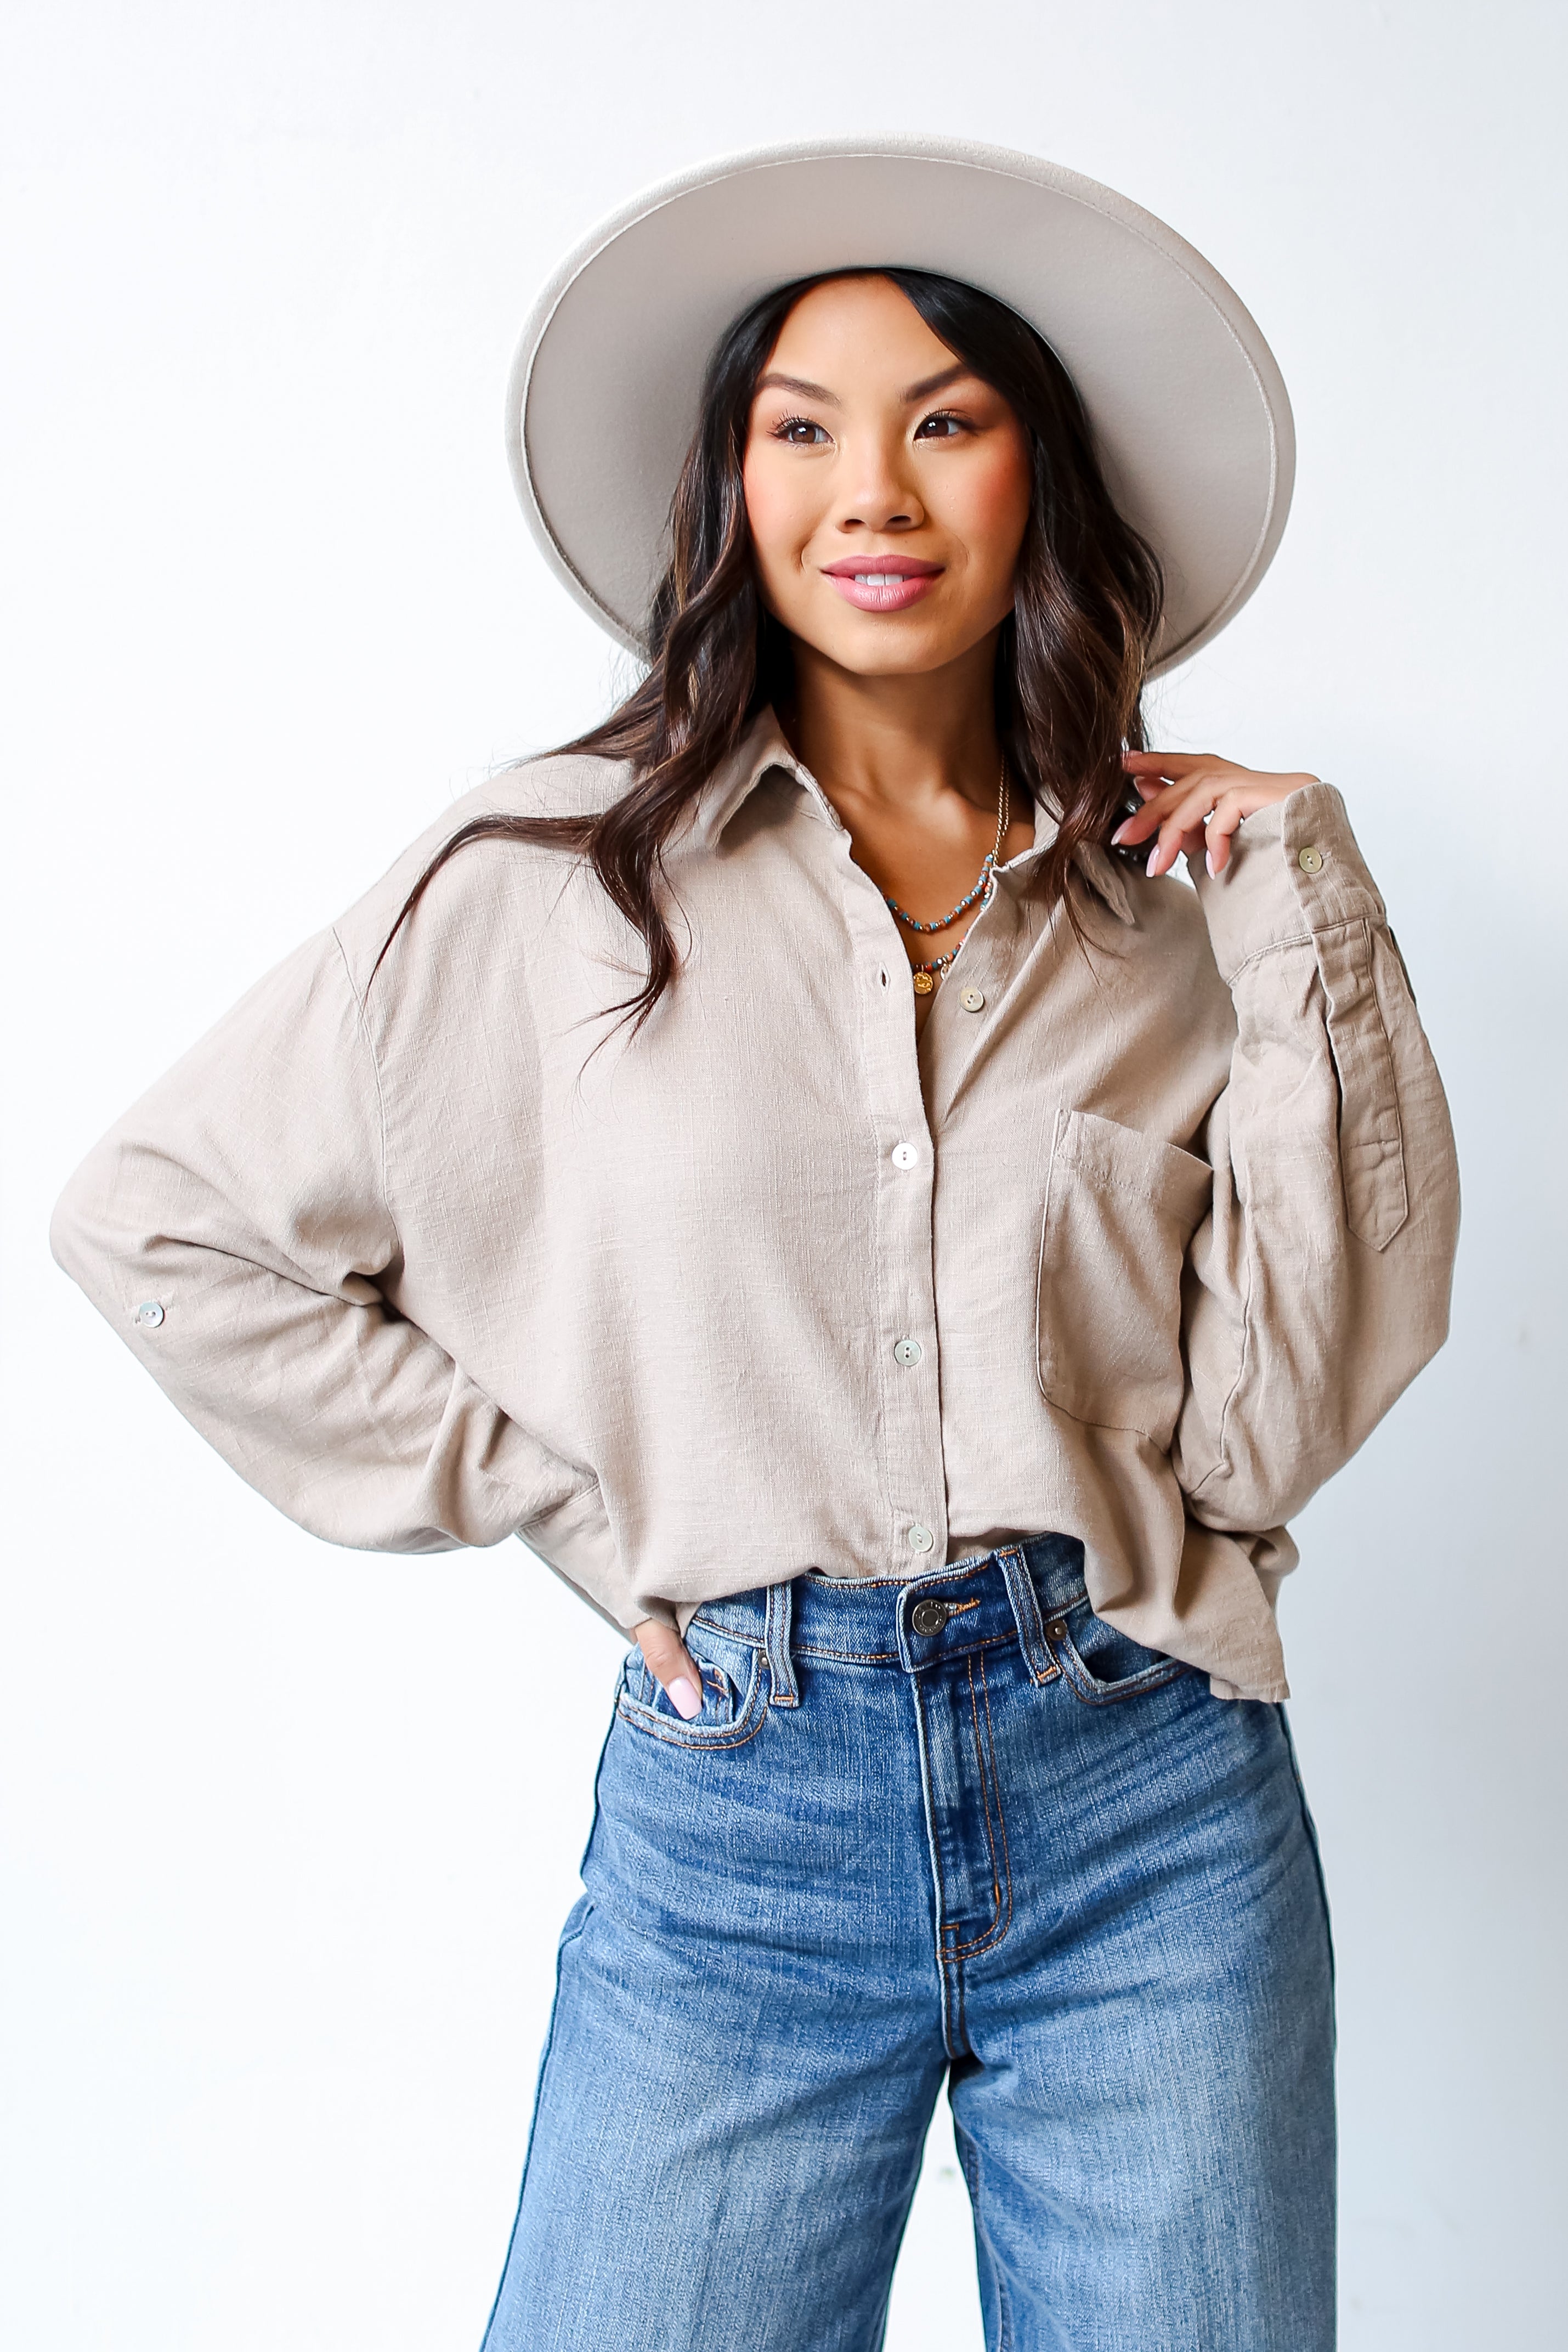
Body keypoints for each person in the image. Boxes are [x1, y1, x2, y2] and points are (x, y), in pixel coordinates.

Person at [52, 139, 1459, 2351]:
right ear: (731, 485)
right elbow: (162, 1220)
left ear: (1040, 476)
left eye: (943, 420)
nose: (870, 490)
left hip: (1151, 1801)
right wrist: (558, 1501)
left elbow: (1271, 1432)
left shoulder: (1181, 928)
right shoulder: (543, 879)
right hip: (741, 1824)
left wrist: (1304, 899)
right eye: (801, 427)